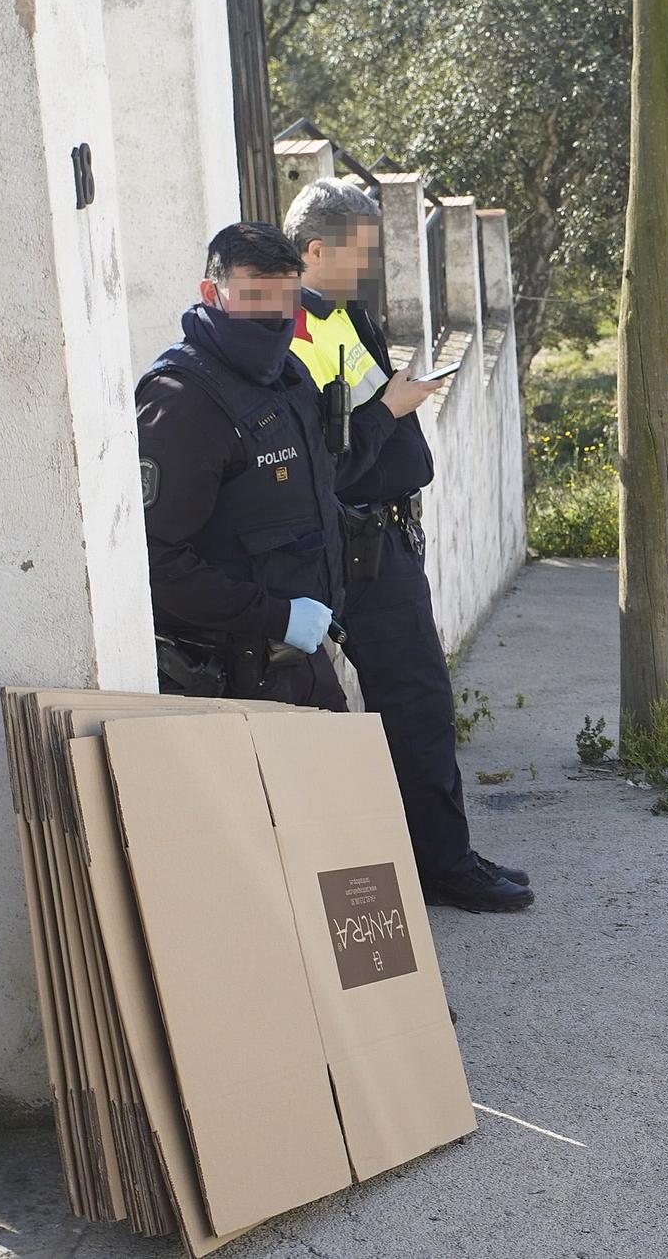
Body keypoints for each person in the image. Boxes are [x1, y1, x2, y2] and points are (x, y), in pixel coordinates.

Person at [281, 180, 533, 913]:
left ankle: (433, 856)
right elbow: (324, 461)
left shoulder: (341, 315)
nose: (368, 267)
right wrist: (390, 408)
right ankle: (442, 867)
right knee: (414, 703)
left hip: (384, 534)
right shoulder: (293, 330)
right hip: (355, 544)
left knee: (414, 705)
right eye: (357, 253)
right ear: (315, 249)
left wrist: (394, 399)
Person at [138, 222, 435, 707]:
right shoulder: (180, 402)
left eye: (285, 298)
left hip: (299, 663)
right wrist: (277, 617)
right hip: (229, 679)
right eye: (254, 294)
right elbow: (156, 560)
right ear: (211, 293)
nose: (273, 315)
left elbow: (328, 473)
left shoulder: (288, 378)